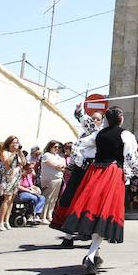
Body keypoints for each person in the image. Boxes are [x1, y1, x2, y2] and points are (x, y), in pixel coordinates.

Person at [61, 106, 138, 274]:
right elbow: (132, 159)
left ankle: (94, 255)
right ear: (120, 118)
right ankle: (90, 257)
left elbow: (77, 145)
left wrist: (81, 162)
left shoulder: (99, 134)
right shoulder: (126, 135)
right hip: (111, 174)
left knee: (96, 213)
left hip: (94, 173)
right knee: (105, 214)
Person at [51, 105, 105, 246]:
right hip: (79, 170)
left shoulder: (99, 133)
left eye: (97, 119)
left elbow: (88, 125)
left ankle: (90, 237)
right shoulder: (83, 135)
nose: (94, 121)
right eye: (93, 118)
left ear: (102, 122)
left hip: (92, 170)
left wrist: (80, 113)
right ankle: (68, 237)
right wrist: (74, 164)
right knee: (71, 199)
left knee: (88, 202)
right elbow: (77, 150)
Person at [0, 135, 25, 231]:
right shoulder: (5, 152)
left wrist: (20, 153)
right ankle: (0, 222)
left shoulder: (18, 153)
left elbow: (24, 163)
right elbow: (7, 163)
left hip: (16, 178)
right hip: (8, 177)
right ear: (9, 143)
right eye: (13, 143)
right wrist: (14, 153)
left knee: (11, 200)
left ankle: (6, 221)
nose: (15, 145)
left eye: (17, 143)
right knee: (6, 200)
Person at [39, 141, 66, 223]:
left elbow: (63, 166)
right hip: (50, 179)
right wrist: (59, 167)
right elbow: (56, 166)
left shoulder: (59, 156)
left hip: (58, 178)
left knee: (54, 198)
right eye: (55, 147)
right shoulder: (46, 155)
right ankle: (42, 216)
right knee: (47, 197)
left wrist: (60, 167)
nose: (57, 149)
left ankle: (49, 215)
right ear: (50, 147)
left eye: (58, 147)